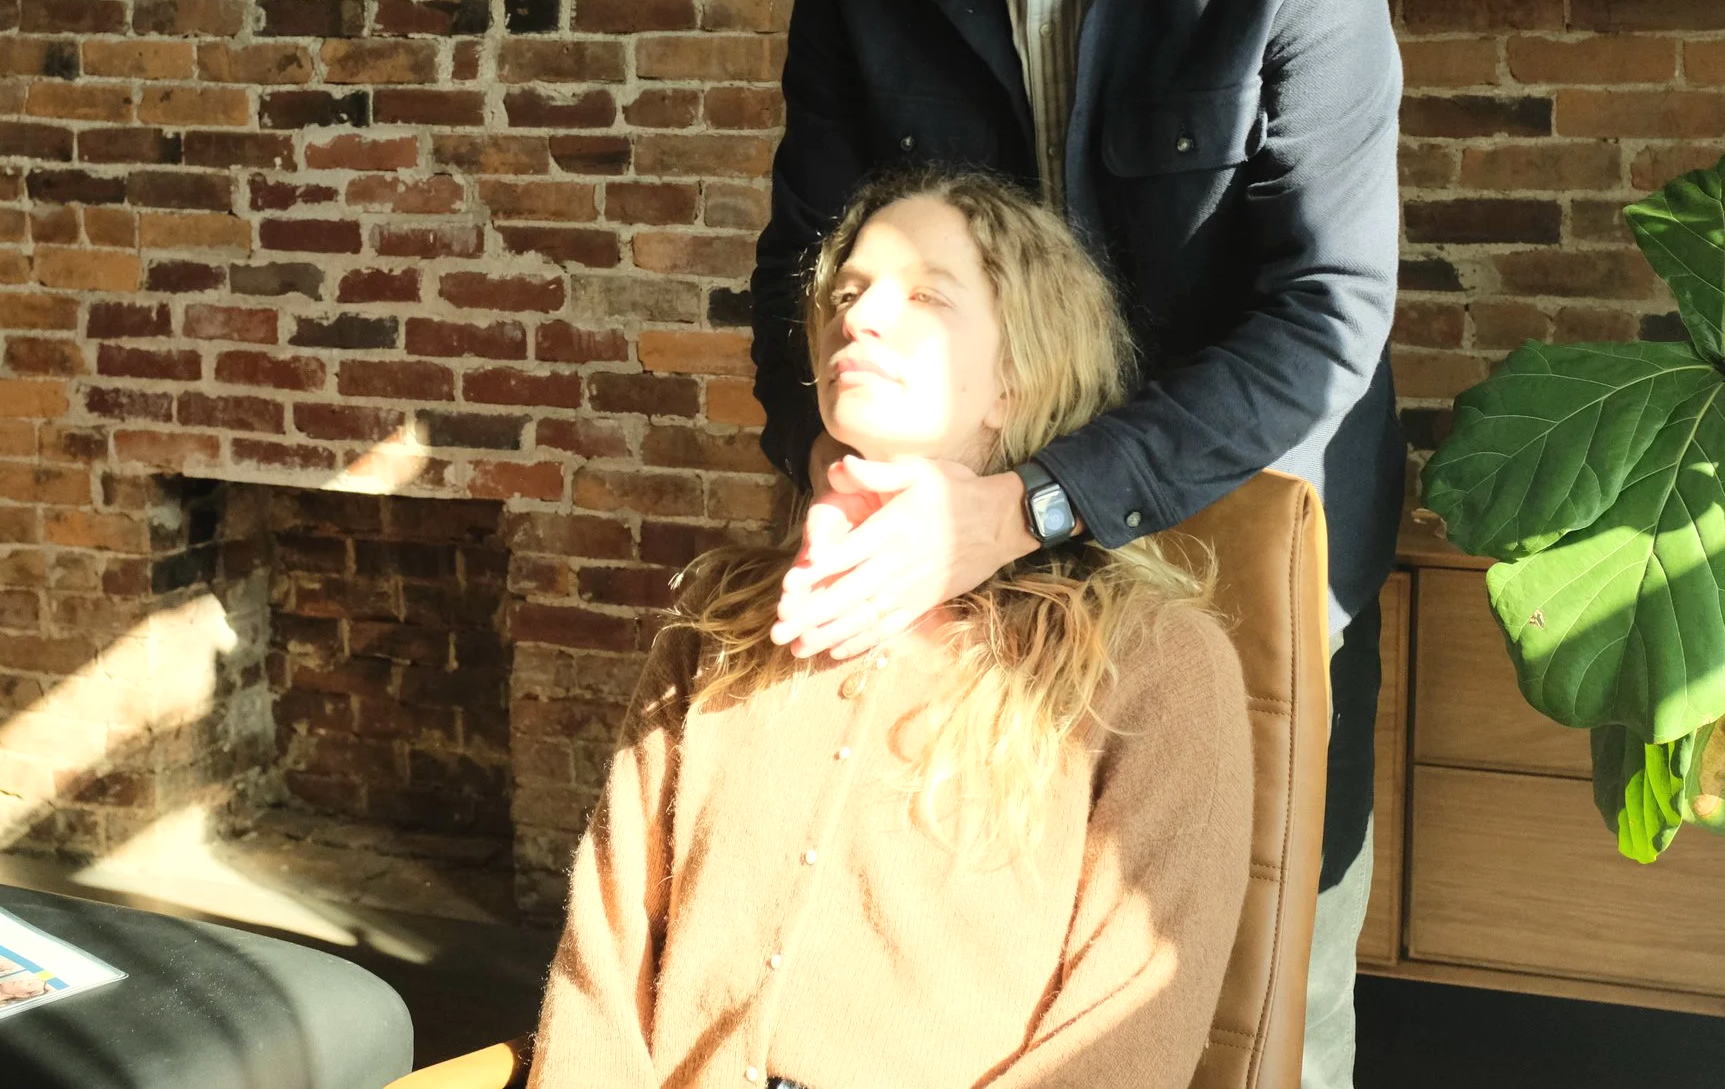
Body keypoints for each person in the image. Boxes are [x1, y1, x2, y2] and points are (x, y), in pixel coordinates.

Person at [749, 0, 1403, 1089]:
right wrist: (836, 483)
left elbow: (1326, 316)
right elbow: (802, 255)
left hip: (1250, 501)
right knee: (986, 932)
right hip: (953, 521)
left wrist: (1026, 502)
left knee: (1254, 968)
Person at [535, 171, 1254, 1089]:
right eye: (847, 292)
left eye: (923, 294)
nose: (859, 318)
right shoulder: (722, 619)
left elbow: (1125, 1038)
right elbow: (602, 952)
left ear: (1015, 378)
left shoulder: (1154, 667)